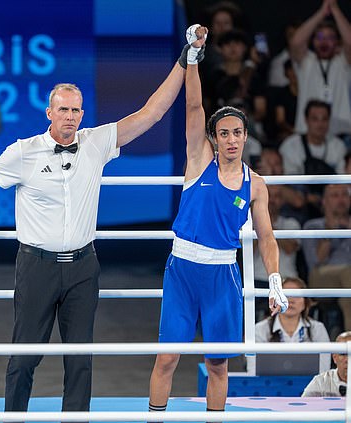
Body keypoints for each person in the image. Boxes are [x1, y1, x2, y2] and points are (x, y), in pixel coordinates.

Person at [0, 27, 205, 414]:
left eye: (75, 110)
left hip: (83, 267)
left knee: (80, 360)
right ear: (49, 112)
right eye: (63, 109)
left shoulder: (97, 142)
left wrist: (184, 58)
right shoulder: (24, 152)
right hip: (36, 266)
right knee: (24, 358)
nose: (69, 116)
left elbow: (151, 112)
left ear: (82, 114)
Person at [148, 25, 288, 415]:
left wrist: (274, 280)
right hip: (182, 269)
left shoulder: (255, 184)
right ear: (213, 138)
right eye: (223, 133)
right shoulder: (197, 162)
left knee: (218, 364)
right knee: (167, 359)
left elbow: (267, 238)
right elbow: (194, 108)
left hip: (222, 277)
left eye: (237, 133)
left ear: (245, 137)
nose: (230, 139)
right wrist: (193, 57)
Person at [289, 0, 351, 137]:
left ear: (337, 42)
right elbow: (296, 42)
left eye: (330, 38)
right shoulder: (306, 61)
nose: (324, 42)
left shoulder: (343, 62)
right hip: (306, 133)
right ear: (313, 41)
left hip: (341, 133)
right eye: (320, 37)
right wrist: (322, 12)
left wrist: (335, 9)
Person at [255, 277, 331, 373]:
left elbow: (324, 370)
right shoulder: (260, 329)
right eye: (285, 295)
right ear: (275, 301)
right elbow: (254, 370)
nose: (290, 300)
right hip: (270, 385)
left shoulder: (318, 329)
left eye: (296, 295)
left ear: (305, 303)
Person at [302, 184, 351, 330]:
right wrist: (331, 229)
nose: (341, 200)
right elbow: (316, 261)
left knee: (348, 299)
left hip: (347, 282)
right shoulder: (312, 226)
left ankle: (348, 347)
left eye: (344, 195)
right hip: (321, 277)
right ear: (324, 201)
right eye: (335, 196)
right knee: (348, 273)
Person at [302, 331, 351, 397]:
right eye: (343, 354)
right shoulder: (320, 382)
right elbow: (304, 404)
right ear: (334, 358)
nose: (347, 360)